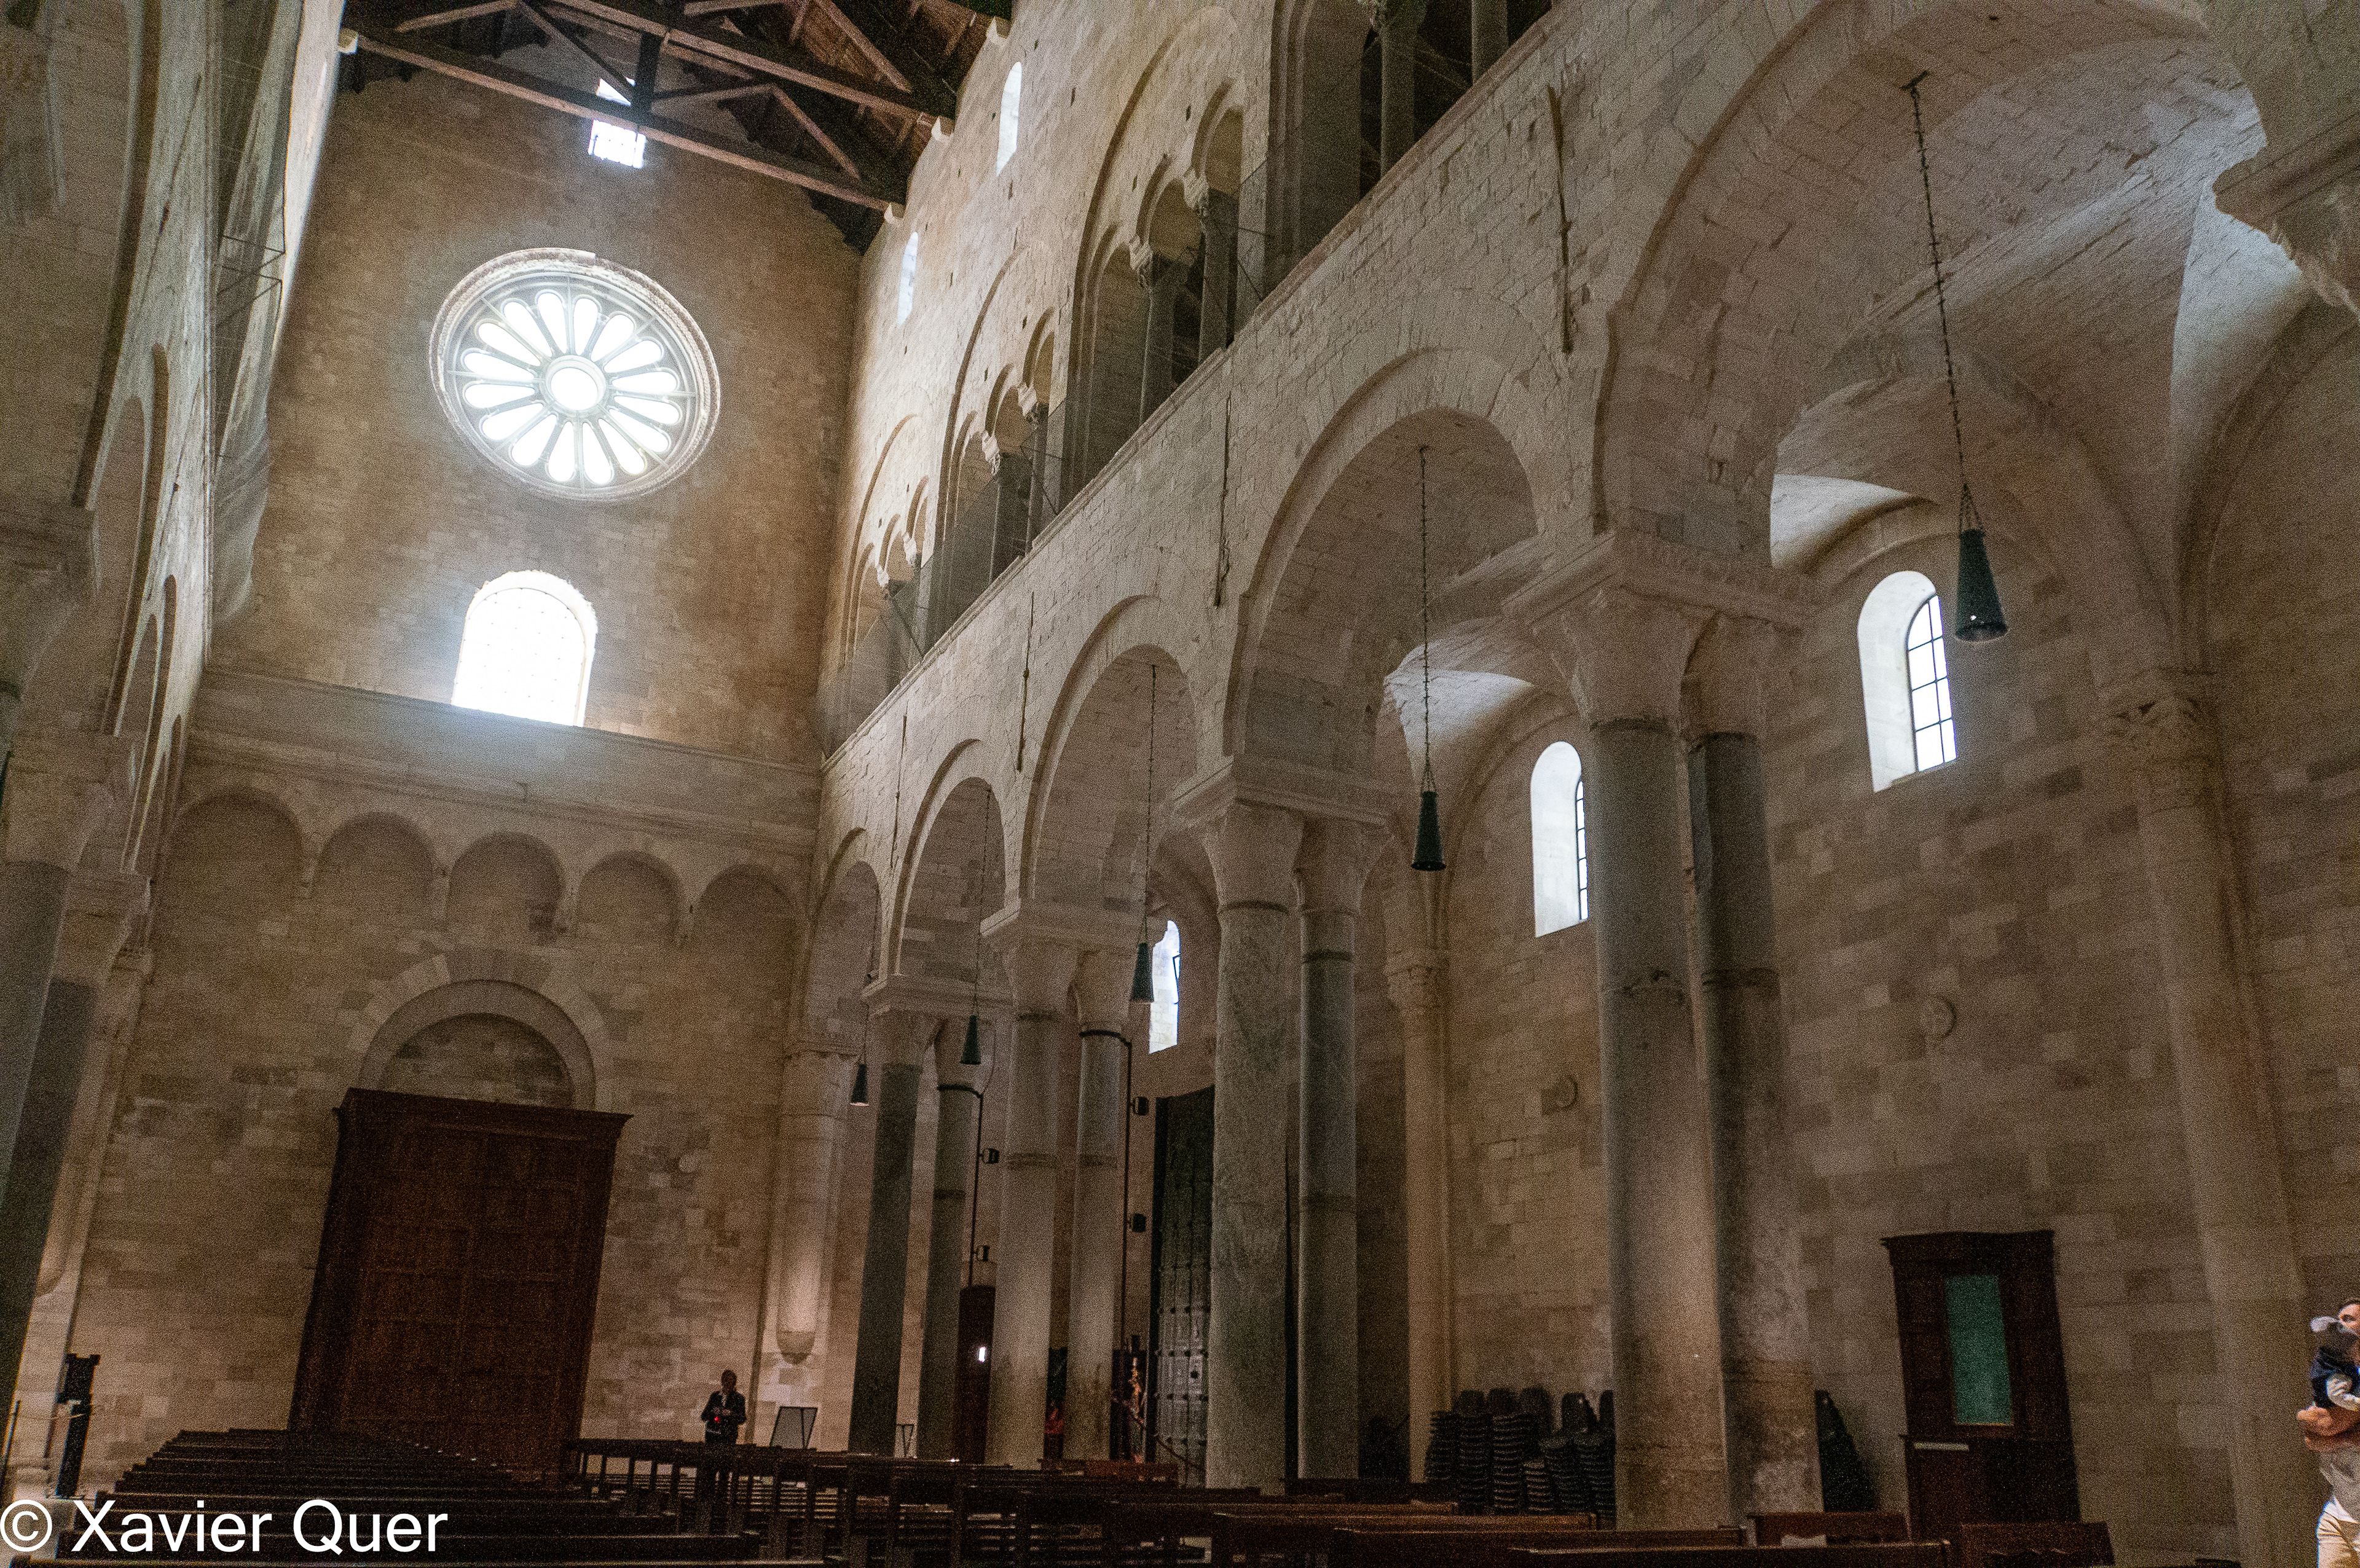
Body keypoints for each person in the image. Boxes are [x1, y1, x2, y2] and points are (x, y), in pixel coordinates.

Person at [2300, 1301, 2360, 1568]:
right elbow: (2312, 1435)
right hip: (2338, 1513)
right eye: (2339, 1319)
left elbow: (2326, 1425)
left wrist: (2332, 1427)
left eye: (2349, 1319)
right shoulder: (2337, 1373)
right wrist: (2345, 1437)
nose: (2340, 1325)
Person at [701, 1369, 747, 1445]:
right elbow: (704, 1416)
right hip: (713, 1435)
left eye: (731, 1381)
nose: (728, 1383)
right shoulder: (715, 1396)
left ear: (734, 1383)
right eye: (726, 1380)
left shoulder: (739, 1399)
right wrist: (713, 1412)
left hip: (728, 1437)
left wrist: (731, 1414)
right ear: (723, 1382)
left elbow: (742, 1419)